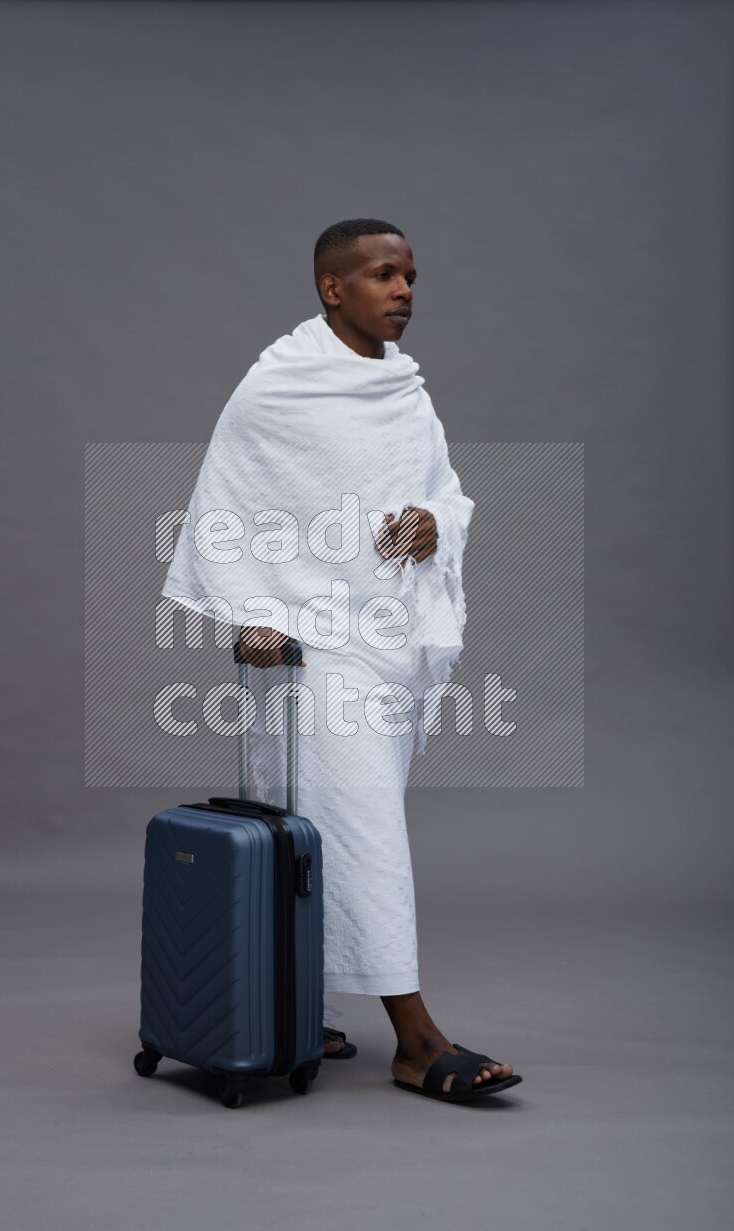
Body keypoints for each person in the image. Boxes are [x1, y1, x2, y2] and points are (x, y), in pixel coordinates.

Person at [162, 219, 521, 1102]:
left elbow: (441, 489)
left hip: (386, 637)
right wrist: (249, 612)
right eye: (383, 275)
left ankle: (295, 1004)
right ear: (333, 288)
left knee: (320, 829)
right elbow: (229, 504)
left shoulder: (402, 387)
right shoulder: (278, 385)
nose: (403, 290)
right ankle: (416, 1038)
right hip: (309, 646)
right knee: (362, 829)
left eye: (410, 276)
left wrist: (440, 524)